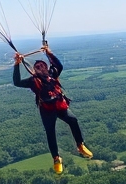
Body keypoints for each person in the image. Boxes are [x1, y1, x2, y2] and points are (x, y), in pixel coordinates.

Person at [13, 44, 93, 173]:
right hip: (46, 110)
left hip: (59, 106)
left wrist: (49, 53)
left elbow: (59, 66)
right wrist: (17, 64)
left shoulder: (52, 74)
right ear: (34, 70)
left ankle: (80, 145)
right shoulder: (33, 81)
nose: (40, 68)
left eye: (42, 65)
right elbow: (17, 82)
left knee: (73, 120)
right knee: (50, 133)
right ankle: (56, 159)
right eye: (37, 67)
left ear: (46, 67)